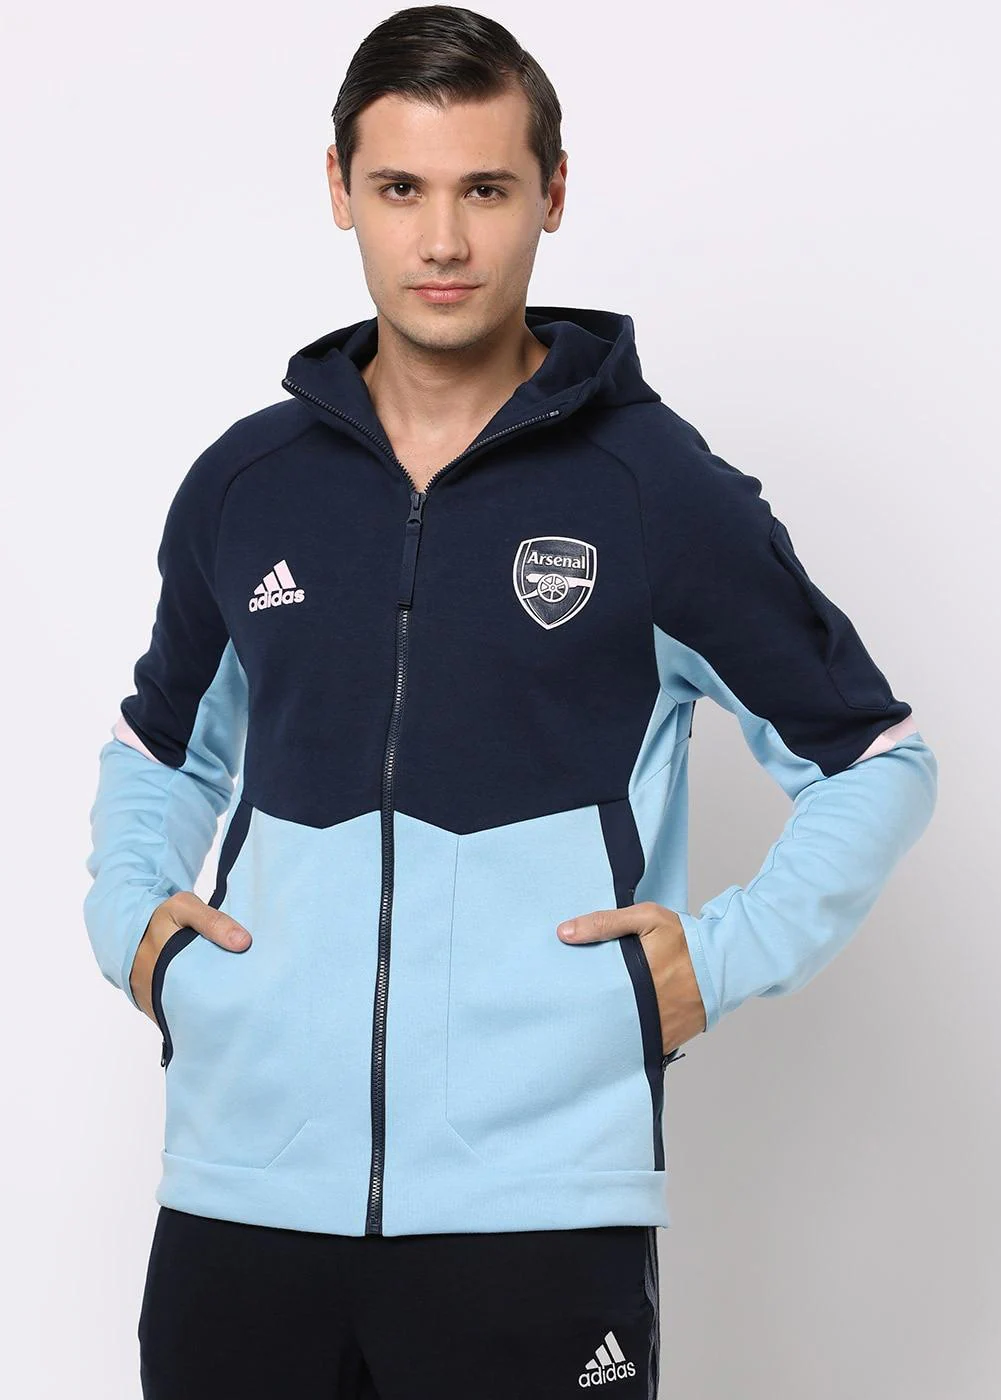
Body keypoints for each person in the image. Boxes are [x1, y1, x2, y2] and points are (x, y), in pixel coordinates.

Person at [83, 6, 939, 1397]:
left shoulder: (655, 492)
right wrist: (135, 924)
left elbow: (876, 759)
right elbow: (164, 744)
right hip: (244, 1186)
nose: (441, 241)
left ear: (552, 193)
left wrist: (715, 962)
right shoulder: (249, 485)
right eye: (399, 190)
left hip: (538, 1204)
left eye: (484, 189)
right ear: (339, 191)